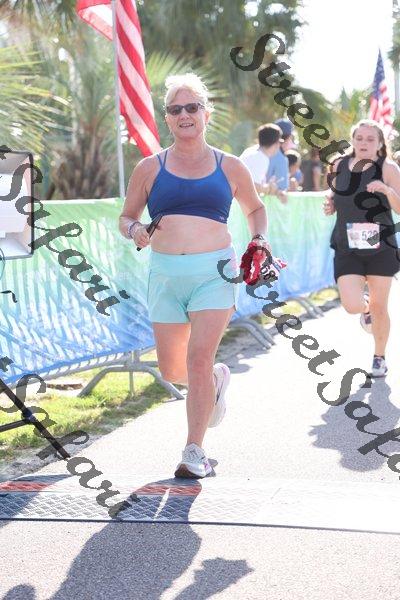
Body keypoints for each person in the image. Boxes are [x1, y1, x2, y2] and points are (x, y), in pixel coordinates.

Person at [119, 73, 270, 478]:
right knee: (173, 371)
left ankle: (194, 451)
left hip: (214, 273)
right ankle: (216, 380)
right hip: (165, 275)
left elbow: (256, 209)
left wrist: (259, 239)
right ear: (167, 118)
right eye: (175, 109)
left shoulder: (230, 165)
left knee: (198, 359)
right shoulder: (149, 167)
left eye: (192, 107)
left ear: (206, 112)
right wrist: (136, 231)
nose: (184, 114)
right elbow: (127, 217)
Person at [324, 119, 400, 377]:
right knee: (352, 304)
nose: (364, 143)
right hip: (347, 245)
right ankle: (364, 310)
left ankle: (379, 357)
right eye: (359, 138)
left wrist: (386, 190)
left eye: (370, 139)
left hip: (381, 247)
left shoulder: (387, 167)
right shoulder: (338, 165)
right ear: (352, 140)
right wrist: (330, 203)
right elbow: (334, 194)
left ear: (379, 143)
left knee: (381, 307)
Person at [239, 123, 283, 195]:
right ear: (276, 143)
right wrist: (268, 188)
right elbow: (251, 187)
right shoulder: (261, 158)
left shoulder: (252, 151)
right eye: (280, 142)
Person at [266, 118, 296, 203]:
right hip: (270, 206)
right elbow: (282, 189)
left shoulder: (260, 151)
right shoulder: (281, 159)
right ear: (288, 137)